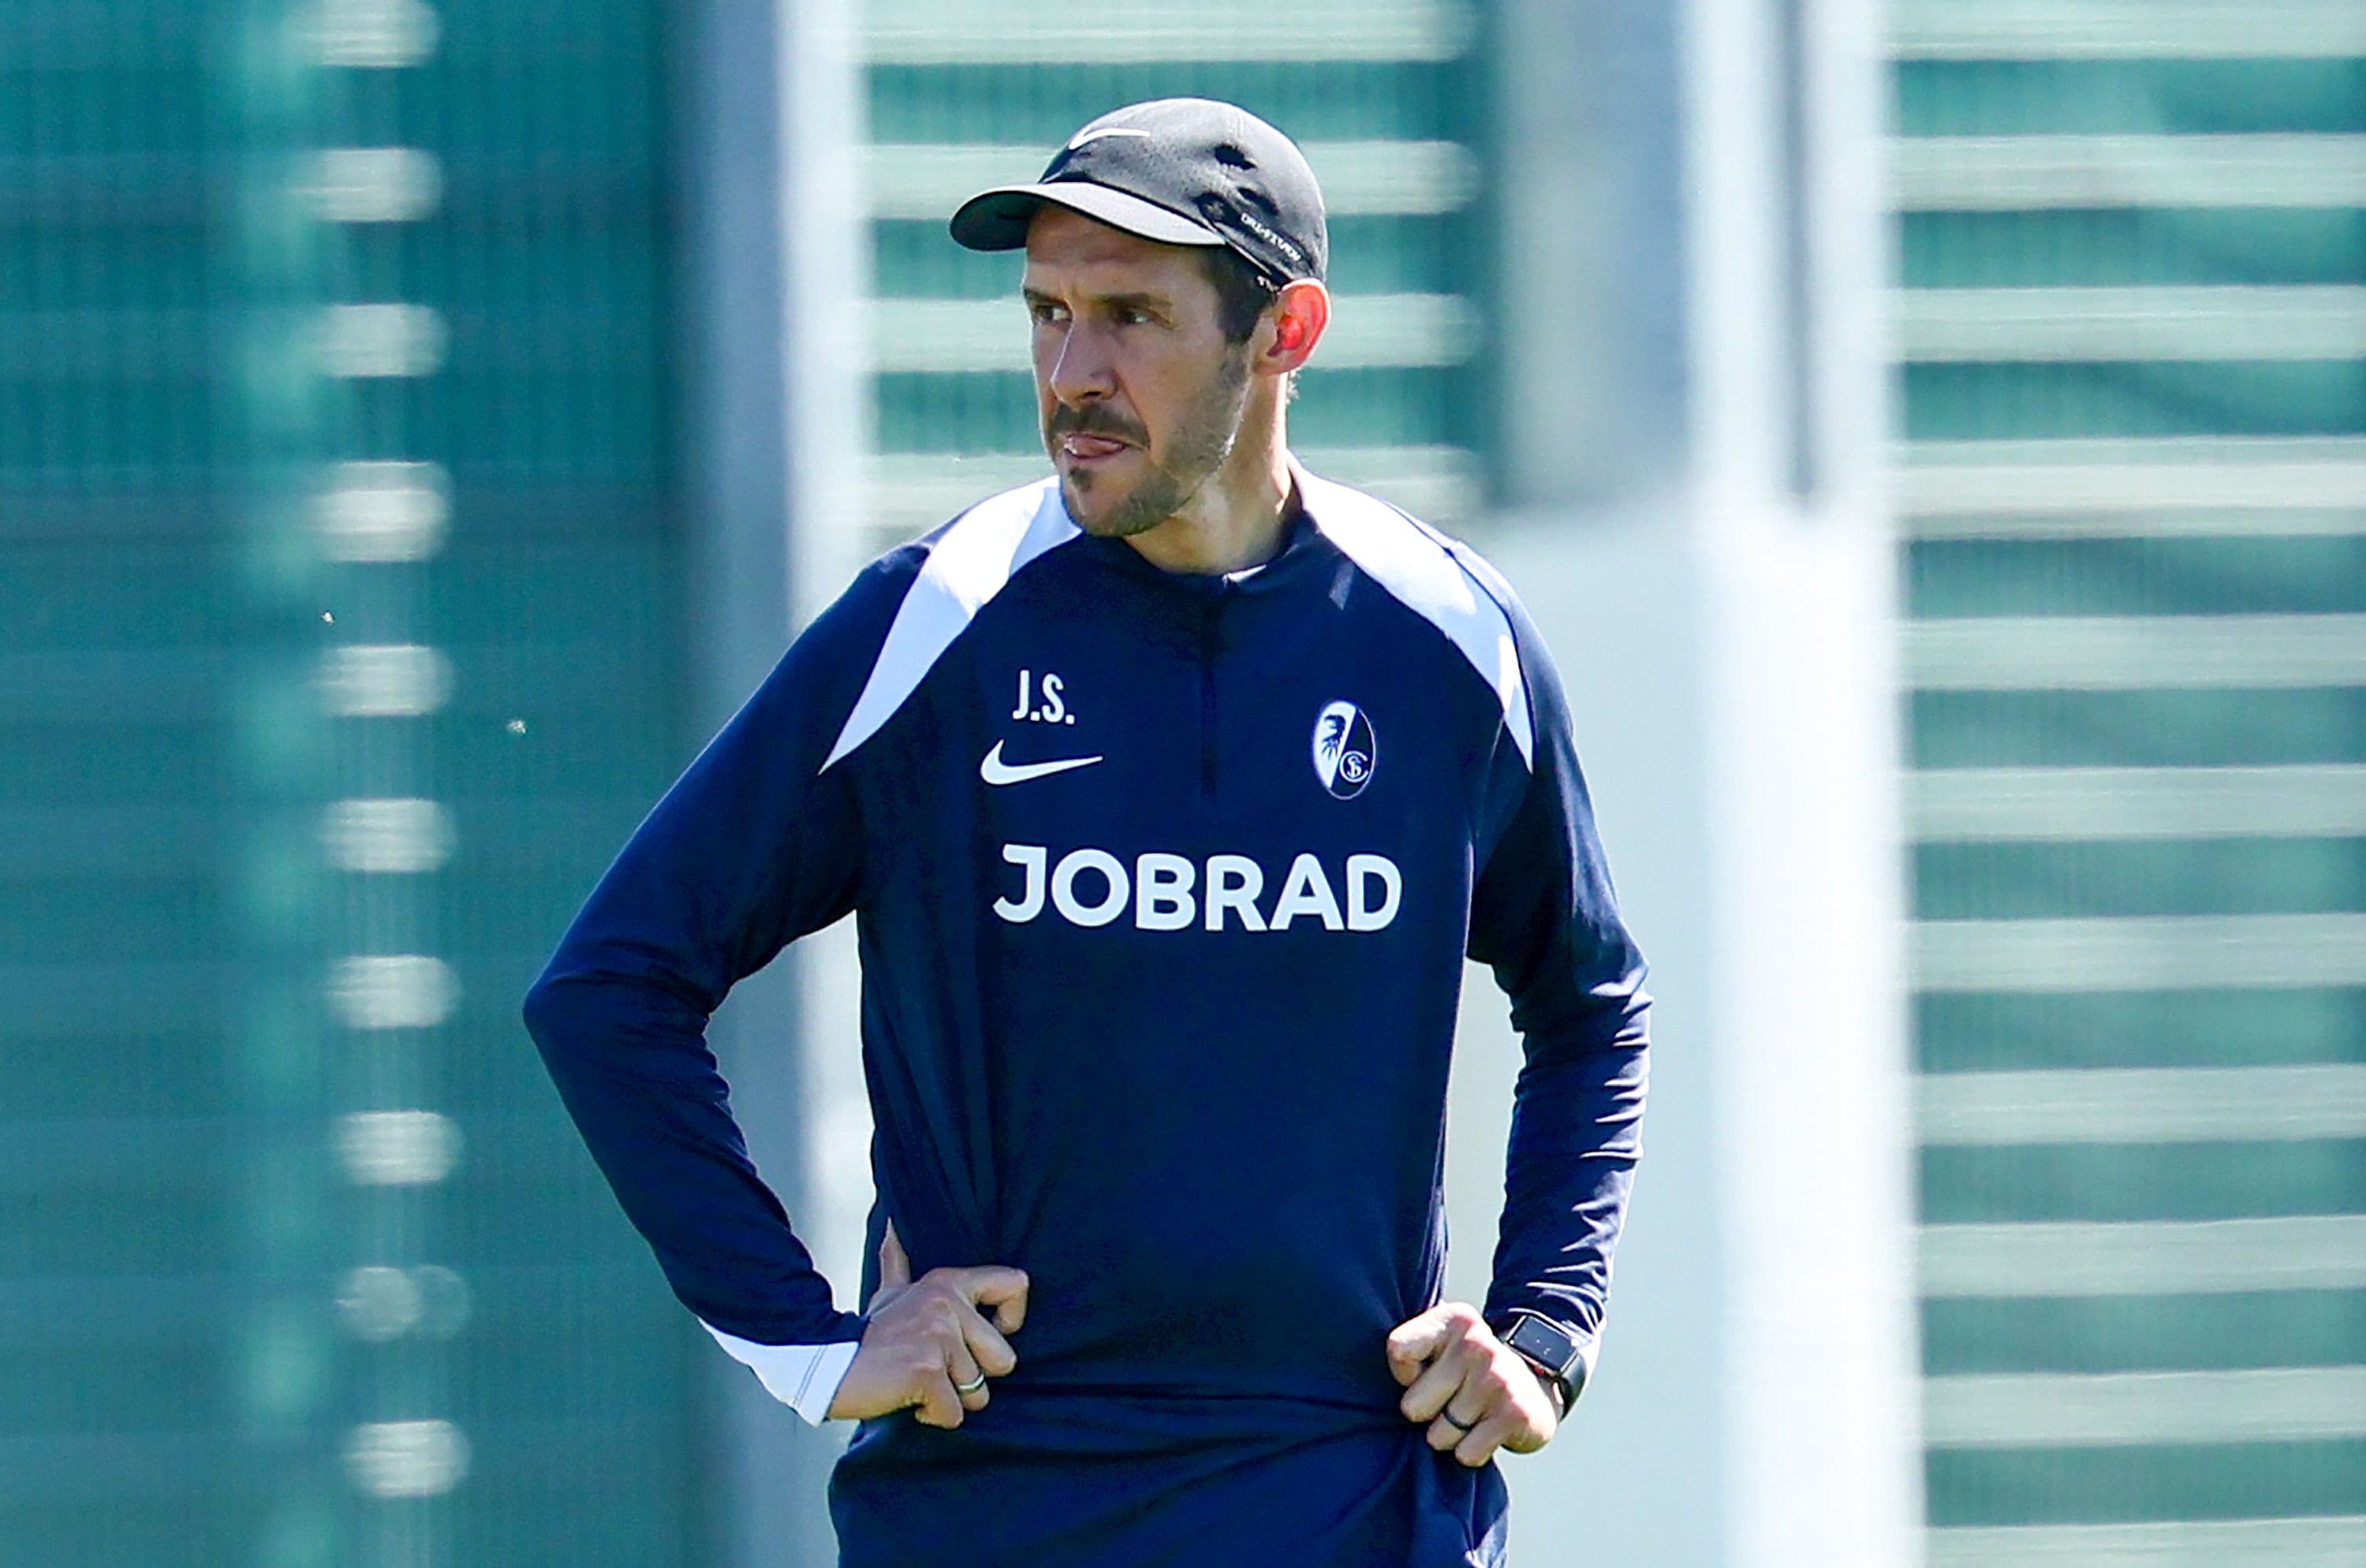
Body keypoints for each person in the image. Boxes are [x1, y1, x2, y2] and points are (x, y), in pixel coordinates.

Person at [524, 97, 1648, 1566]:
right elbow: (608, 991)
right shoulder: (938, 623)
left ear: (1286, 332)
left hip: (1357, 1505)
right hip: (998, 1508)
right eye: (1047, 315)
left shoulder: (1451, 639)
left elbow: (1590, 1001)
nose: (1072, 376)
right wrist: (803, 1340)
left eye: (1130, 317)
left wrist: (1544, 1331)